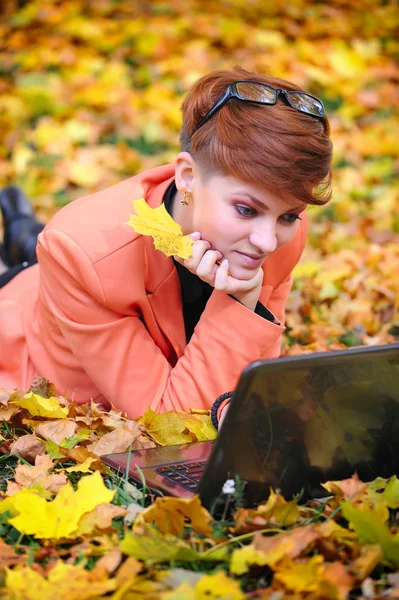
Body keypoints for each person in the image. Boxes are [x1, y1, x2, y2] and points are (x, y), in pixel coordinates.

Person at [0, 67, 333, 424]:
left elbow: (247, 383)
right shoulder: (84, 253)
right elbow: (171, 418)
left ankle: (22, 233)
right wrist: (238, 304)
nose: (267, 242)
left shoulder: (282, 232)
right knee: (68, 258)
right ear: (187, 177)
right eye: (246, 209)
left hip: (91, 264)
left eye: (288, 216)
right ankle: (23, 240)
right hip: (34, 314)